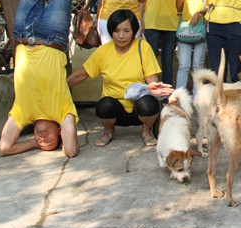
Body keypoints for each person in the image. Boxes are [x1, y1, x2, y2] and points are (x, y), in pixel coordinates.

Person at [0, 0, 90, 158]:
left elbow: (5, 149)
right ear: (60, 132)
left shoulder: (22, 113)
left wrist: (32, 145)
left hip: (22, 32)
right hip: (52, 36)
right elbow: (70, 151)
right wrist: (61, 142)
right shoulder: (62, 110)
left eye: (42, 142)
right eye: (50, 141)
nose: (43, 139)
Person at [66, 9, 173, 147]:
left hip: (138, 108)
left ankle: (146, 129)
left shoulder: (142, 47)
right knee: (103, 106)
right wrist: (60, 88)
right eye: (116, 31)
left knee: (149, 103)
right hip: (115, 109)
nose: (121, 36)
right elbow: (80, 75)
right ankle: (109, 129)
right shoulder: (103, 51)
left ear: (133, 31)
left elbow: (151, 77)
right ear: (111, 31)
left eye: (126, 31)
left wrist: (153, 86)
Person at [142, 0, 181, 86]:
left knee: (168, 61)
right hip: (151, 24)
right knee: (150, 60)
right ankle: (148, 90)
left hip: (170, 26)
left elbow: (179, 7)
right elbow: (143, 0)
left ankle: (167, 93)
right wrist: (141, 21)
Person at [175, 0, 209, 92]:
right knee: (183, 65)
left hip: (202, 26)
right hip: (185, 26)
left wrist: (198, 12)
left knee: (198, 65)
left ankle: (197, 97)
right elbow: (179, 6)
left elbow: (213, 5)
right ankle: (180, 97)